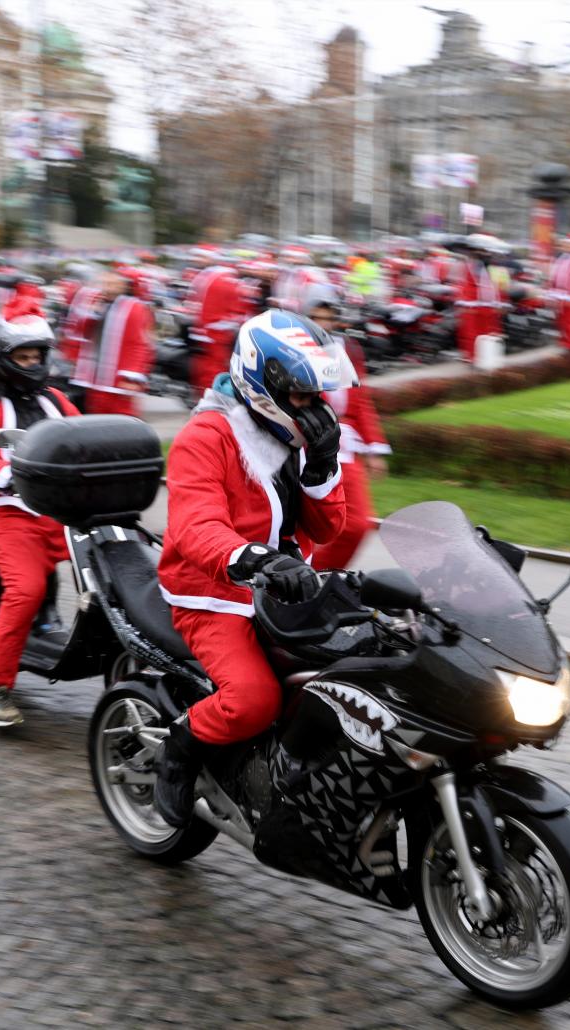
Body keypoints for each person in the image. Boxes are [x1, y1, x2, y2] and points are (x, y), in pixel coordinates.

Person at [153, 309, 349, 827]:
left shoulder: (293, 438)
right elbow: (195, 528)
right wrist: (253, 558)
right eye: (304, 397)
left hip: (286, 591)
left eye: (318, 397)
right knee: (254, 700)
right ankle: (181, 746)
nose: (315, 409)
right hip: (214, 593)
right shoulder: (206, 437)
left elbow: (328, 530)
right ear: (266, 386)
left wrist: (324, 469)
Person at [0, 316, 81, 728]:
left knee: (125, 565)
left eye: (35, 356)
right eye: (21, 357)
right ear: (4, 359)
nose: (30, 363)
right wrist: (6, 476)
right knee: (26, 588)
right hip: (7, 509)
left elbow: (86, 435)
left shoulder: (56, 399)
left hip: (59, 508)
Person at [305, 293, 389, 571]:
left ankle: (317, 576)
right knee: (303, 525)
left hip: (346, 449)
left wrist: (374, 446)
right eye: (317, 317)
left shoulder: (346, 350)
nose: (324, 323)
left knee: (356, 525)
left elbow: (360, 400)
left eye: (329, 317)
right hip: (306, 445)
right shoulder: (295, 349)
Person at [64, 269, 154, 416]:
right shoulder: (102, 304)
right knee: (95, 418)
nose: (107, 286)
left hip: (118, 380)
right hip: (96, 379)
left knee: (120, 419)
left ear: (124, 285)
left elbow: (139, 343)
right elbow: (81, 331)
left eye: (113, 283)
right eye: (105, 283)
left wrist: (132, 376)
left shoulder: (134, 307)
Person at [189, 258, 250, 395]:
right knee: (215, 369)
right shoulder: (228, 280)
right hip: (217, 335)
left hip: (204, 331)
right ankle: (214, 396)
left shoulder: (208, 276)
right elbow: (239, 310)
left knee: (205, 368)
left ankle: (203, 394)